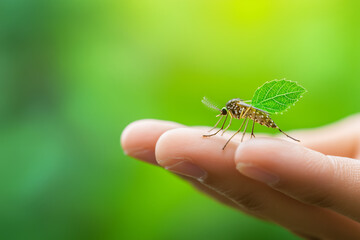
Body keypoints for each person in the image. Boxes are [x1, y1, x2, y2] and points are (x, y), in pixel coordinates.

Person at [121, 114, 360, 239]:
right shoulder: (231, 112)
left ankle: (281, 136)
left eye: (224, 114)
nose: (224, 115)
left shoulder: (243, 112)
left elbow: (243, 117)